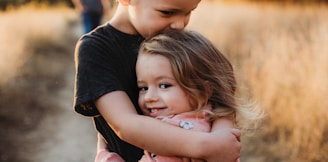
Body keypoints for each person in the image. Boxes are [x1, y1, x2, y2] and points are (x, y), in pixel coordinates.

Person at [73, 0, 242, 161]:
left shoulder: (176, 41)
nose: (179, 25)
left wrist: (221, 137)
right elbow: (125, 124)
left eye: (188, 12)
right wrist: (206, 146)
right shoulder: (96, 48)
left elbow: (221, 97)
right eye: (167, 12)